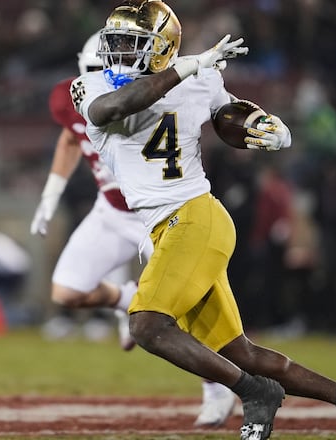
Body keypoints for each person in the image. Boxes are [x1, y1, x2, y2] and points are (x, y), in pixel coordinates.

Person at [71, 2, 336, 439]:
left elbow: (227, 115)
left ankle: (254, 393)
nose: (120, 53)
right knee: (239, 352)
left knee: (146, 324)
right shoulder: (91, 85)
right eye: (117, 43)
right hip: (166, 229)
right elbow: (115, 107)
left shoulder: (199, 77)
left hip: (193, 215)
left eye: (132, 44)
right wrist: (185, 68)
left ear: (161, 47)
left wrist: (262, 125)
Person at [31, 32, 236, 428]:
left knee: (186, 318)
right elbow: (70, 138)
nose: (107, 76)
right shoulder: (77, 95)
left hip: (159, 215)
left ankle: (217, 386)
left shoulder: (152, 92)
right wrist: (50, 194)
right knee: (67, 290)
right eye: (94, 71)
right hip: (110, 212)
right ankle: (128, 298)